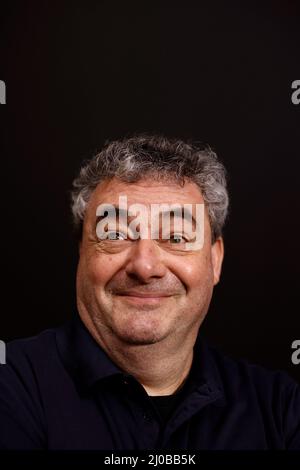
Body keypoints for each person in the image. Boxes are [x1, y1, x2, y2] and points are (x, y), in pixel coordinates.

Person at [0, 134, 299, 450]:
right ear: (82, 253)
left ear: (215, 260)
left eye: (176, 237)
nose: (144, 266)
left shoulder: (280, 409)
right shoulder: (11, 387)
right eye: (115, 234)